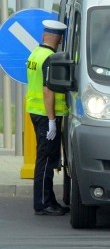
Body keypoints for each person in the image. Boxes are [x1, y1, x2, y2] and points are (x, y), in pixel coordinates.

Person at [26, 19, 70, 216]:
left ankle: (48, 199)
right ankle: (43, 203)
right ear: (59, 40)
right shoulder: (51, 58)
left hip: (36, 112)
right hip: (46, 116)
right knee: (46, 159)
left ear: (44, 36)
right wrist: (52, 120)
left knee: (45, 157)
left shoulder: (35, 54)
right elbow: (47, 90)